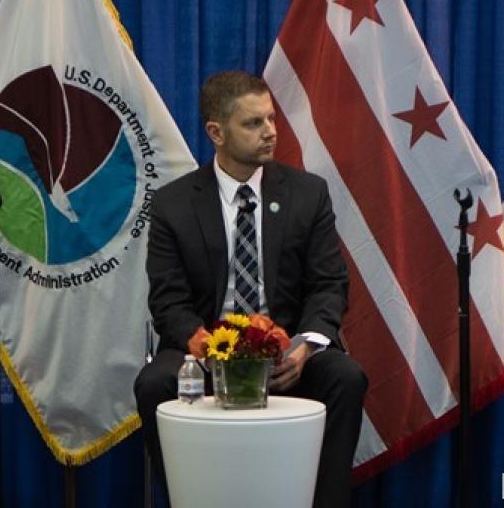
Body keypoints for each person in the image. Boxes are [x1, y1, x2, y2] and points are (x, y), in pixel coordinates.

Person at [134, 71, 367, 508]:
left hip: (287, 354)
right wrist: (209, 350)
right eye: (254, 123)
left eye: (272, 119)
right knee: (154, 385)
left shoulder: (307, 194)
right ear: (216, 132)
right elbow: (167, 298)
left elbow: (329, 284)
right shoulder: (174, 204)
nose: (271, 132)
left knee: (346, 377)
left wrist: (304, 348)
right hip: (203, 354)